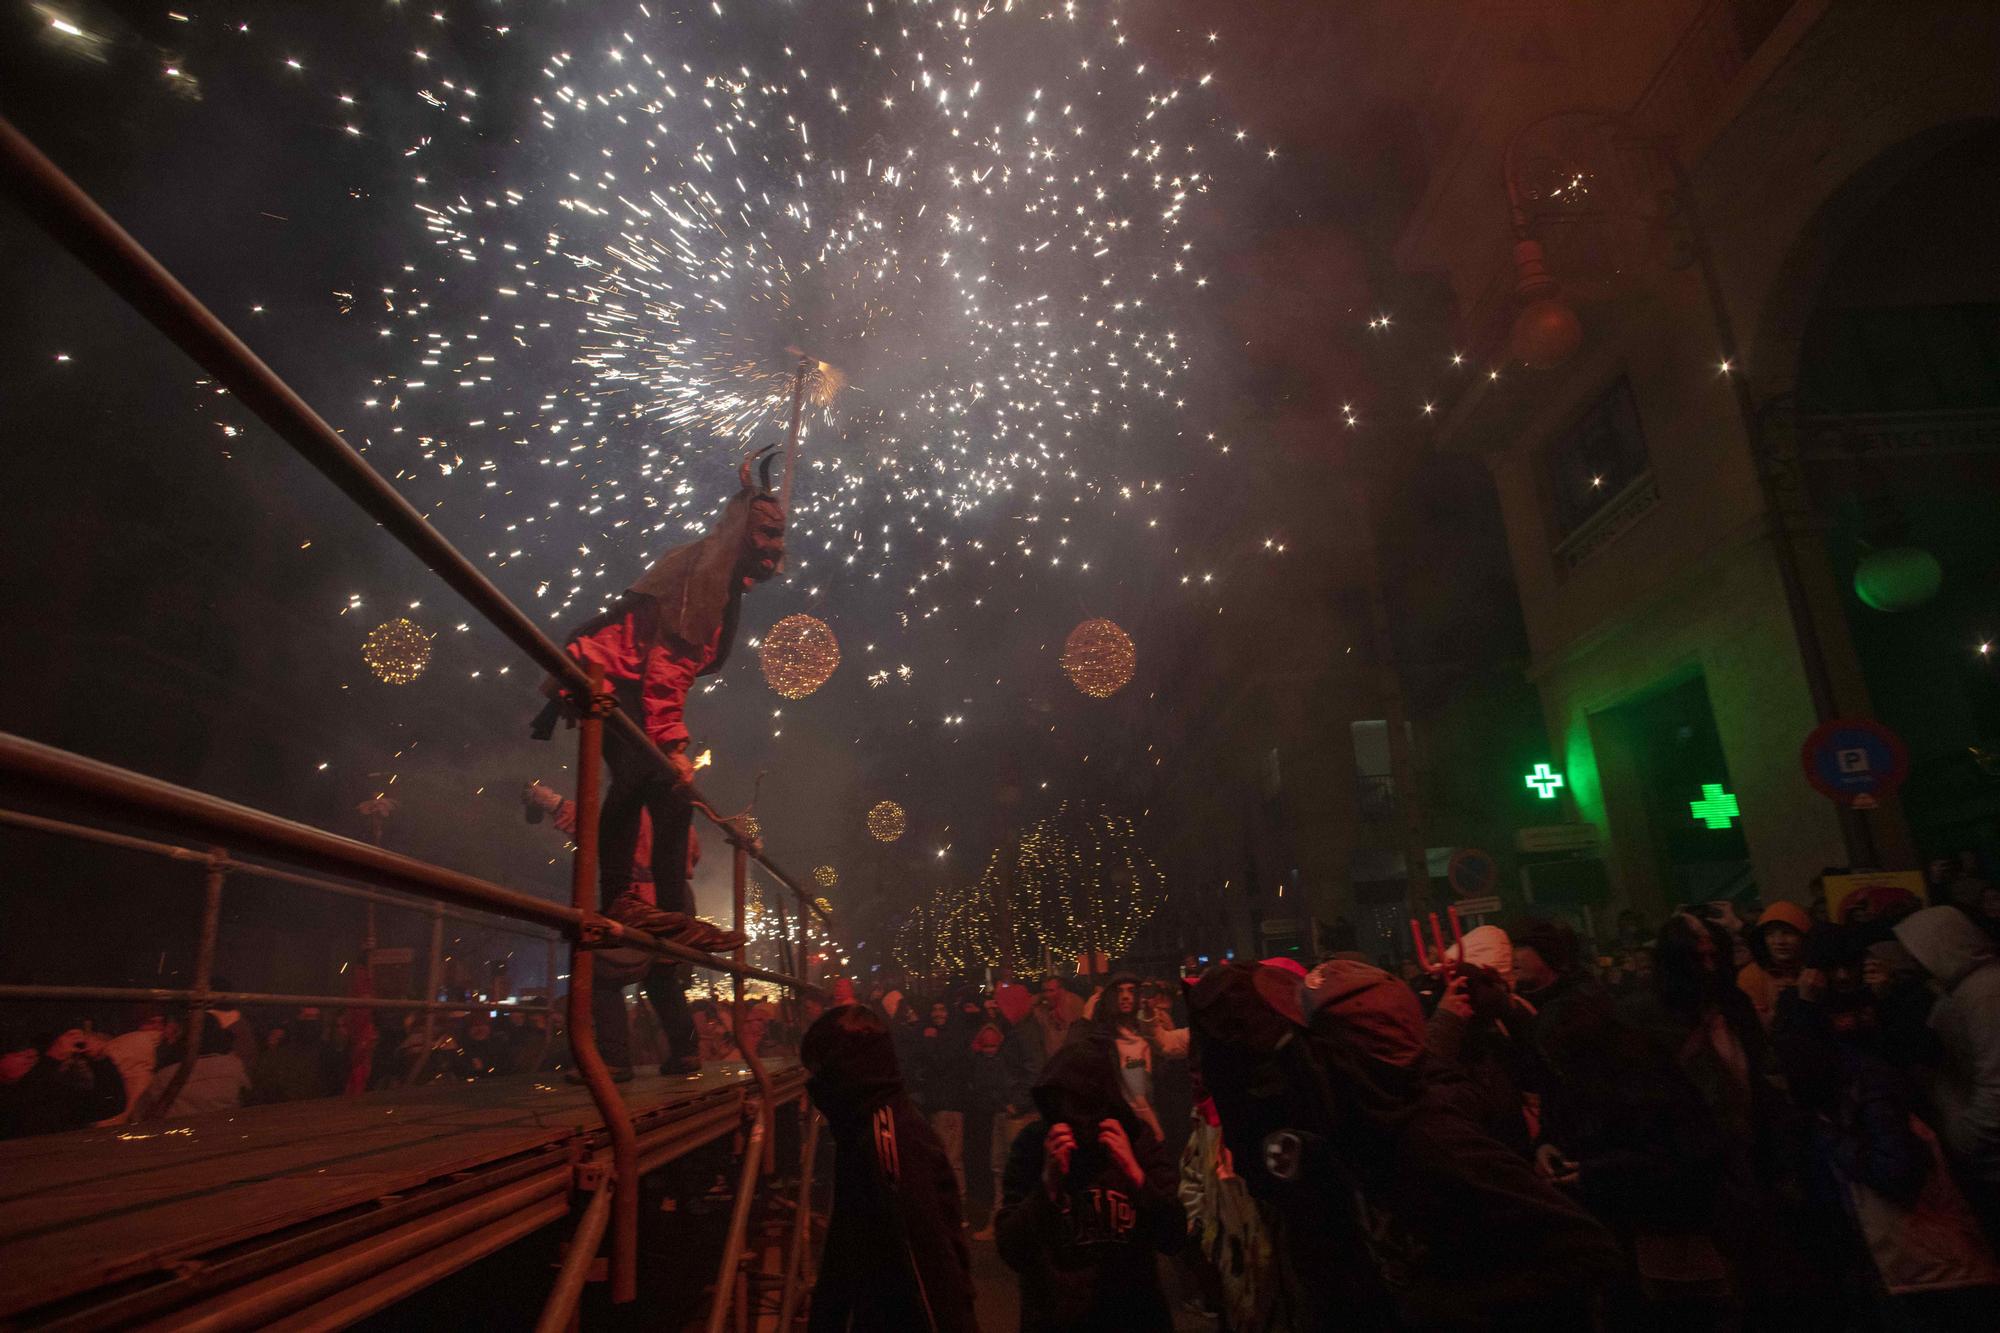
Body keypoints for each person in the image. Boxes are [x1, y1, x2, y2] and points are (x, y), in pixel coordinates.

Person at [1189, 959, 1620, 1331]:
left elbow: (1587, 1248)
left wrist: (1442, 1304)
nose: (1300, 1058)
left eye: (1307, 1042)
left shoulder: (1431, 1141)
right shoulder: (1354, 1126)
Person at [531, 450, 781, 1074]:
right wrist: (673, 744)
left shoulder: (722, 570)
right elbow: (667, 671)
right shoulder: (706, 587)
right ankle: (622, 896)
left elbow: (673, 673)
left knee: (673, 794)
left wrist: (754, 493)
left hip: (637, 679)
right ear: (749, 540)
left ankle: (671, 909)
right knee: (648, 774)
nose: (777, 553)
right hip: (607, 672)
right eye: (770, 539)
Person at [802, 1005, 977, 1332]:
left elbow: (928, 1263)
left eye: (818, 1071)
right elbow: (845, 1243)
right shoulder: (865, 1129)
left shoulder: (888, 1139)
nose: (813, 1086)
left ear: (843, 1070)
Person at [996, 1028, 1182, 1331]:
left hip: (1134, 1316)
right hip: (1055, 1319)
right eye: (1064, 1104)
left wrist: (1134, 1173)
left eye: (1085, 1104)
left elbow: (1173, 1236)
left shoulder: (1135, 1139)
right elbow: (1012, 1249)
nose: (1076, 1117)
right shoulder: (1035, 1144)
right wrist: (1048, 1186)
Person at [1894, 905, 2000, 1228]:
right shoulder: (1964, 988)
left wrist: (1962, 1141)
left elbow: (1995, 1085)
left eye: (1918, 951)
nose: (1912, 961)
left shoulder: (1985, 994)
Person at [0, 1028, 126, 1138]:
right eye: (18, 1050)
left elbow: (110, 1105)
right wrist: (52, 1059)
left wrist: (100, 1060)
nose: (31, 1055)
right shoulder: (22, 1093)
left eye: (33, 1051)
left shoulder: (51, 1090)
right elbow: (21, 1108)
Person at [135, 1021, 249, 1119]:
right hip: (225, 1135)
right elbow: (246, 1099)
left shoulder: (165, 1076)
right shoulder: (234, 1066)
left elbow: (139, 1114)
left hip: (179, 1140)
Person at [96, 1008, 180, 1125]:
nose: (157, 1027)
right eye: (151, 1022)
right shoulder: (134, 1049)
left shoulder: (161, 1052)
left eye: (161, 1023)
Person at [1736, 901, 1811, 1026]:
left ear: (1803, 936)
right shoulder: (1751, 976)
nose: (1779, 941)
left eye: (1787, 933)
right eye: (1770, 934)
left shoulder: (1815, 971)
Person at [248, 1008, 344, 1105]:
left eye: (315, 1017)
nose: (311, 1022)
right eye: (307, 1017)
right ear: (298, 1019)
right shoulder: (279, 1054)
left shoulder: (329, 1053)